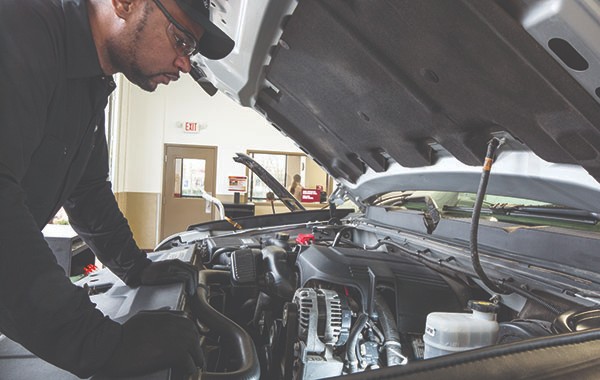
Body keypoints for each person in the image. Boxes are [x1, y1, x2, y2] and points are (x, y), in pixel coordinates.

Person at [0, 0, 234, 377]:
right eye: (181, 40)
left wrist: (135, 266)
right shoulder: (20, 28)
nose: (185, 63)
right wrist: (95, 342)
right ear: (125, 3)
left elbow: (88, 190)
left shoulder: (92, 81)